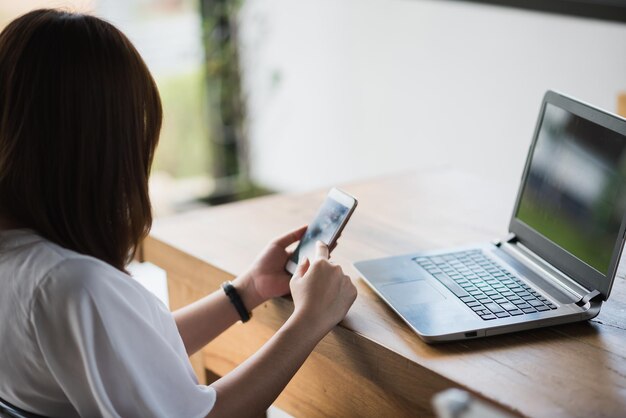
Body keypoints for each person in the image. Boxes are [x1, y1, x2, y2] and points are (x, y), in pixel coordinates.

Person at [0, 9, 357, 418]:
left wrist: (245, 292)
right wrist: (310, 321)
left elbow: (130, 360)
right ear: (102, 147)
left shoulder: (25, 265)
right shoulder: (71, 286)